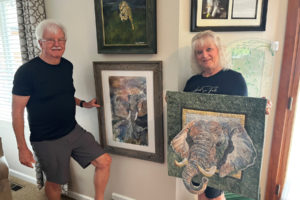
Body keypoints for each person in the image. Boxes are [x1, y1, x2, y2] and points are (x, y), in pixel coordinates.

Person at [12, 19, 111, 200]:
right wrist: (22, 148)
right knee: (56, 183)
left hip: (72, 130)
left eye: (61, 40)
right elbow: (17, 112)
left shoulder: (66, 66)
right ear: (40, 42)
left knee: (104, 161)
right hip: (47, 139)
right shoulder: (26, 73)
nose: (57, 44)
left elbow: (63, 94)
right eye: (50, 39)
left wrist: (83, 103)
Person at [184, 30, 271, 200]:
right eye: (199, 52)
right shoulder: (192, 82)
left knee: (214, 193)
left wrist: (260, 108)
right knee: (200, 191)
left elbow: (243, 117)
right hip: (197, 149)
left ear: (219, 51)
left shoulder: (234, 79)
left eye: (209, 49)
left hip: (221, 151)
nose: (204, 55)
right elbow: (185, 114)